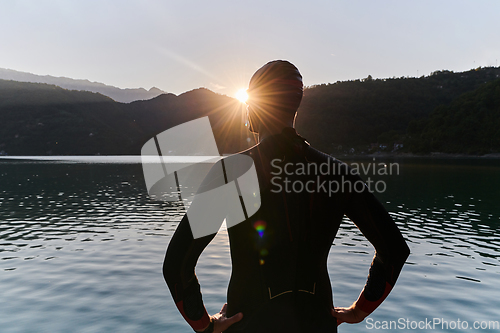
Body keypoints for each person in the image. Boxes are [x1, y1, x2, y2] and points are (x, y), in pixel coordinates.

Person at [163, 60, 410, 332]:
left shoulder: (230, 173)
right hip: (316, 323)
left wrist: (205, 325)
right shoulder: (337, 173)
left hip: (250, 324)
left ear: (252, 107)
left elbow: (177, 264)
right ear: (295, 106)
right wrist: (359, 310)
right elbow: (394, 249)